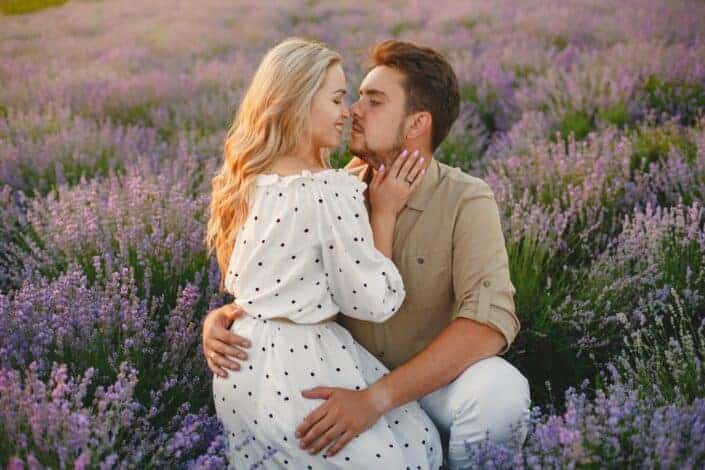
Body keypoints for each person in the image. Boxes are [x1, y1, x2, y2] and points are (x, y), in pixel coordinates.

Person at [204, 39, 531, 469]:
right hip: (337, 375)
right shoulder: (332, 189)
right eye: (351, 97)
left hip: (426, 386)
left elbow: (487, 325)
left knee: (500, 392)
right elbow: (287, 282)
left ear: (416, 123)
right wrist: (228, 317)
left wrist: (378, 398)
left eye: (373, 101)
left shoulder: (465, 199)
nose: (354, 110)